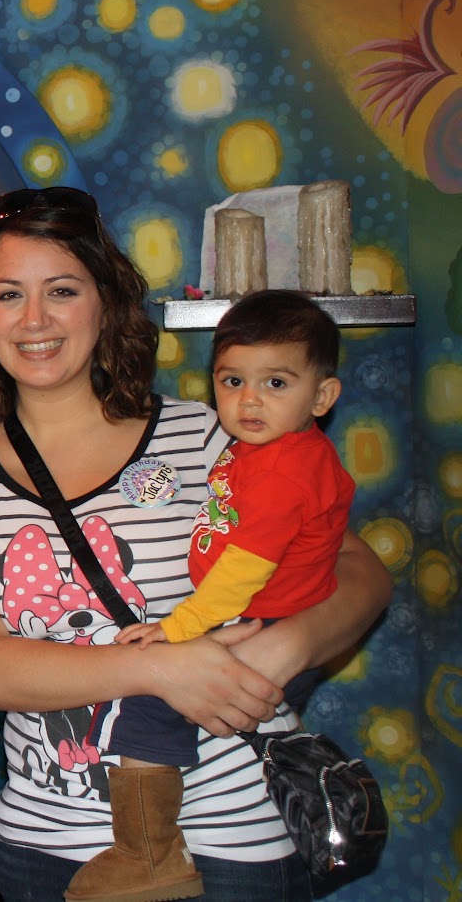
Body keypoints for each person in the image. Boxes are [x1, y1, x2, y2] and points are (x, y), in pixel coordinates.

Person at [0, 187, 390, 902]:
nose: (34, 319)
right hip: (52, 847)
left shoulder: (209, 437)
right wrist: (162, 668)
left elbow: (361, 571)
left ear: (105, 303)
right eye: (9, 294)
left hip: (230, 838)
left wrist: (286, 648)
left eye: (62, 290)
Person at [81, 290, 357, 895]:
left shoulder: (287, 468)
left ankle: (148, 854)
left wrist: (176, 631)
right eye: (233, 381)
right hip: (258, 616)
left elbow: (242, 573)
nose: (249, 399)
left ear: (322, 396)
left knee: (150, 705)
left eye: (276, 383)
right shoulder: (266, 449)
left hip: (265, 620)